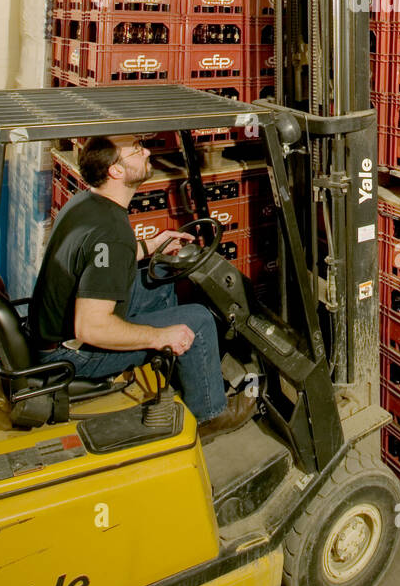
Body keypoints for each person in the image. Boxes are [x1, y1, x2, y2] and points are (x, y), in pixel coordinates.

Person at [28, 134, 255, 442]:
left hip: (58, 333)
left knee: (158, 274)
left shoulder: (87, 203)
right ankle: (210, 415)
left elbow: (101, 258)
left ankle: (179, 368)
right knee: (197, 320)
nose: (147, 151)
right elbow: (91, 328)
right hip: (73, 355)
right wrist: (162, 335)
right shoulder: (110, 231)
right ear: (116, 171)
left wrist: (152, 245)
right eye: (136, 150)